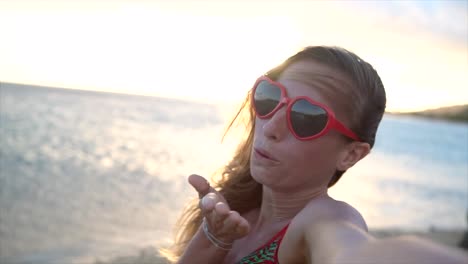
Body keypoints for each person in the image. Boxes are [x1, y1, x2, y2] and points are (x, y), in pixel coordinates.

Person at [163, 46, 468, 263]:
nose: (270, 127)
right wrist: (214, 237)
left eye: (307, 117)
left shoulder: (322, 220)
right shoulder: (237, 210)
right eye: (269, 97)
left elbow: (350, 250)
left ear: (350, 155)